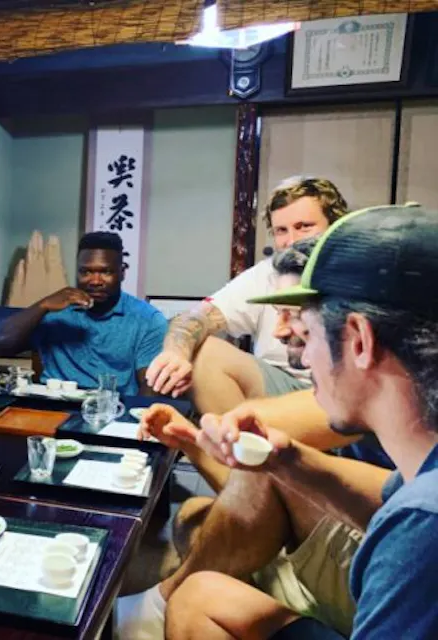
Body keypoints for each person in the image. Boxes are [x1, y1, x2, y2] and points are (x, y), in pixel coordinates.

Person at [164, 203, 438, 639]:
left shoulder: (422, 526)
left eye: (308, 331)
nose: (288, 338)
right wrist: (284, 459)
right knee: (197, 573)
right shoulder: (420, 484)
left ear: (360, 340)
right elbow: (390, 497)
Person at [115, 237, 391, 639]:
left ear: (360, 335)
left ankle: (161, 607)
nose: (279, 333)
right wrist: (192, 440)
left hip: (383, 583)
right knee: (193, 516)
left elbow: (410, 513)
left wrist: (277, 455)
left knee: (196, 591)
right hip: (362, 549)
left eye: (296, 318)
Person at [145, 176, 349, 413]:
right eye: (281, 230)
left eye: (304, 226)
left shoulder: (359, 274)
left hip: (347, 394)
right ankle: (236, 435)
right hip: (281, 387)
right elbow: (195, 317)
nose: (291, 241)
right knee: (206, 351)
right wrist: (176, 353)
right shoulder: (267, 273)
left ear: (335, 225)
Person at [0, 231, 166, 396]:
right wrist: (43, 305)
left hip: (112, 408)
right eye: (86, 272)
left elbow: (150, 386)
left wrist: (131, 416)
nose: (95, 281)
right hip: (53, 407)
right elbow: (4, 341)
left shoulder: (148, 319)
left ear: (122, 272)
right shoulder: (55, 311)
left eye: (106, 272)